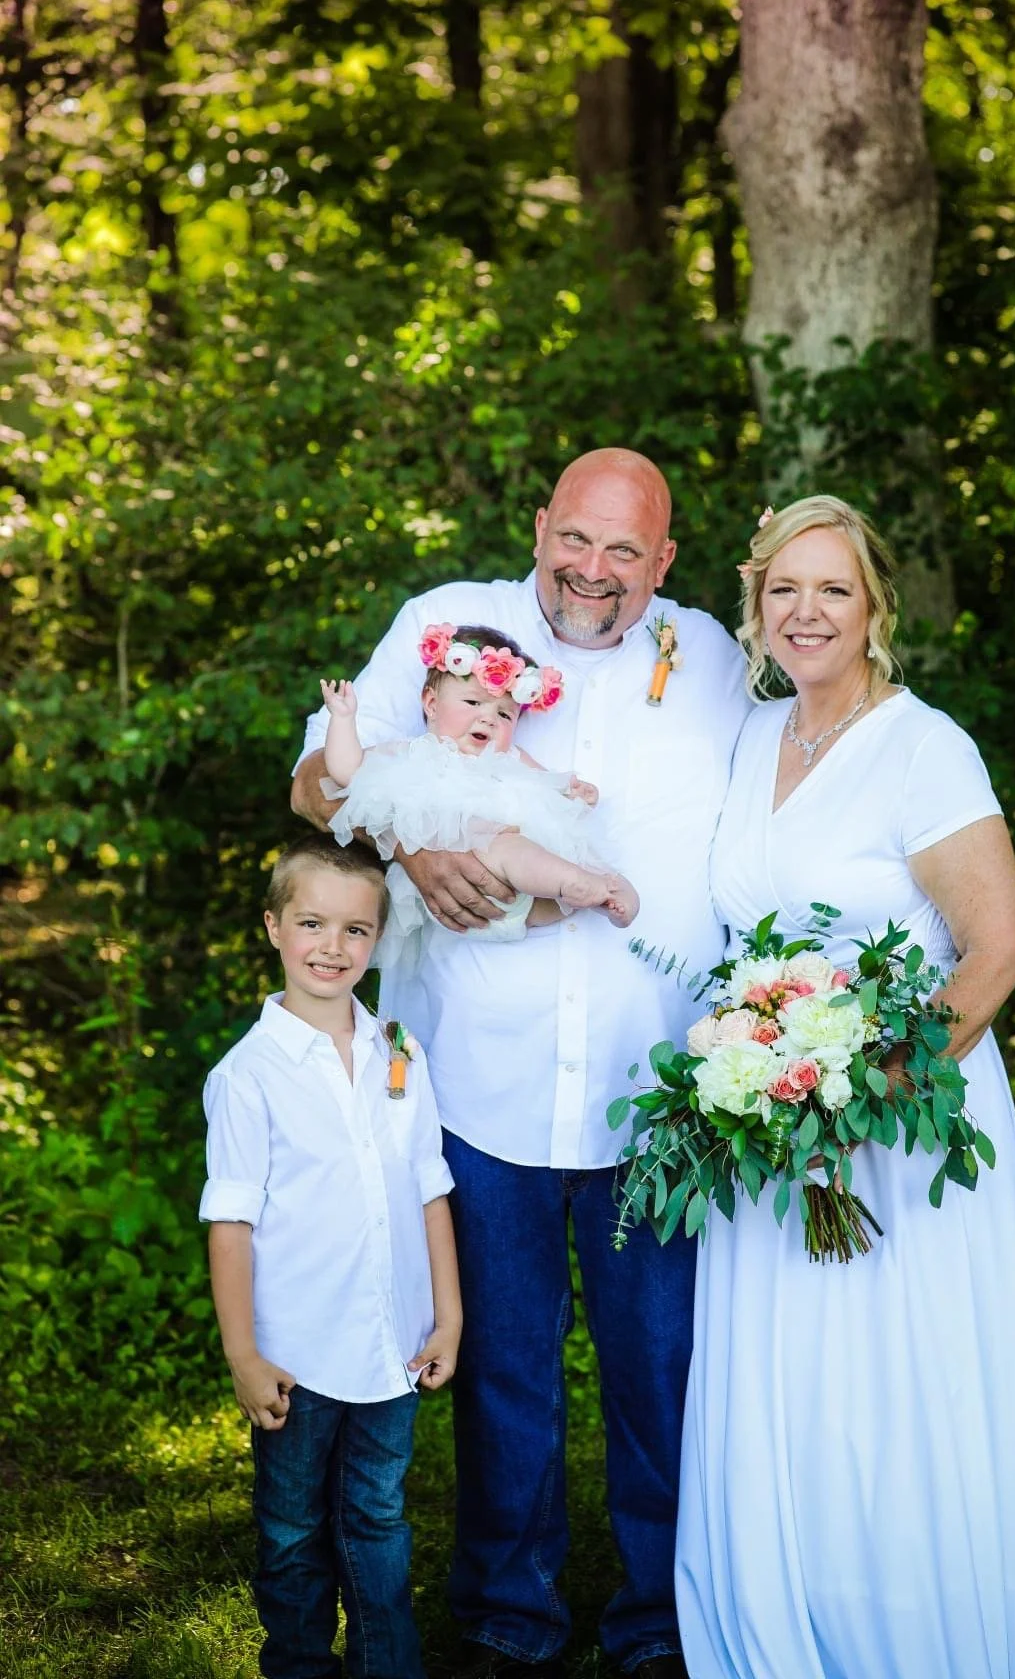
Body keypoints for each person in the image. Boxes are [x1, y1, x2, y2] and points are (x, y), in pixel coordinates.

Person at [291, 448, 751, 1679]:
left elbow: (825, 708)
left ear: (663, 563)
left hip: (659, 1083)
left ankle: (664, 1621)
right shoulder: (441, 623)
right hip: (474, 1075)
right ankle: (507, 1615)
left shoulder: (713, 654)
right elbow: (313, 777)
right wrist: (402, 836)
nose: (593, 572)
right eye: (576, 539)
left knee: (662, 1373)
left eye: (625, 553)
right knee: (501, 1364)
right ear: (539, 526)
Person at [675, 494, 1015, 1679]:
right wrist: (762, 1076)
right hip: (773, 1136)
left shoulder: (925, 746)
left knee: (904, 1397)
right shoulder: (752, 736)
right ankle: (787, 1625)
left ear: (874, 609)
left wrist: (866, 1095)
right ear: (755, 607)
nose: (805, 611)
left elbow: (999, 950)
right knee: (795, 1395)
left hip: (907, 1129)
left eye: (832, 589)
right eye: (784, 589)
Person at [200, 831, 461, 1679]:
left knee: (378, 1518)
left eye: (355, 930)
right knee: (292, 1528)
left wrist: (448, 1317)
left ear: (377, 940)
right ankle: (301, 1666)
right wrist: (244, 1352)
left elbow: (429, 1185)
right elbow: (231, 1221)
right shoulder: (249, 1076)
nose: (332, 946)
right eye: (312, 924)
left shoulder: (400, 1054)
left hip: (393, 1345)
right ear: (274, 927)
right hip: (297, 1355)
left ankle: (391, 1666)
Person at [318, 621, 639, 971]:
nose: (488, 719)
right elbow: (347, 770)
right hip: (457, 888)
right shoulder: (411, 753)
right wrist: (343, 719)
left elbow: (548, 784)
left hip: (524, 904)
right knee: (502, 844)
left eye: (504, 714)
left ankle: (609, 892)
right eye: (473, 702)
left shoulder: (510, 758)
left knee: (575, 850)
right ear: (431, 703)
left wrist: (573, 791)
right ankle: (575, 884)